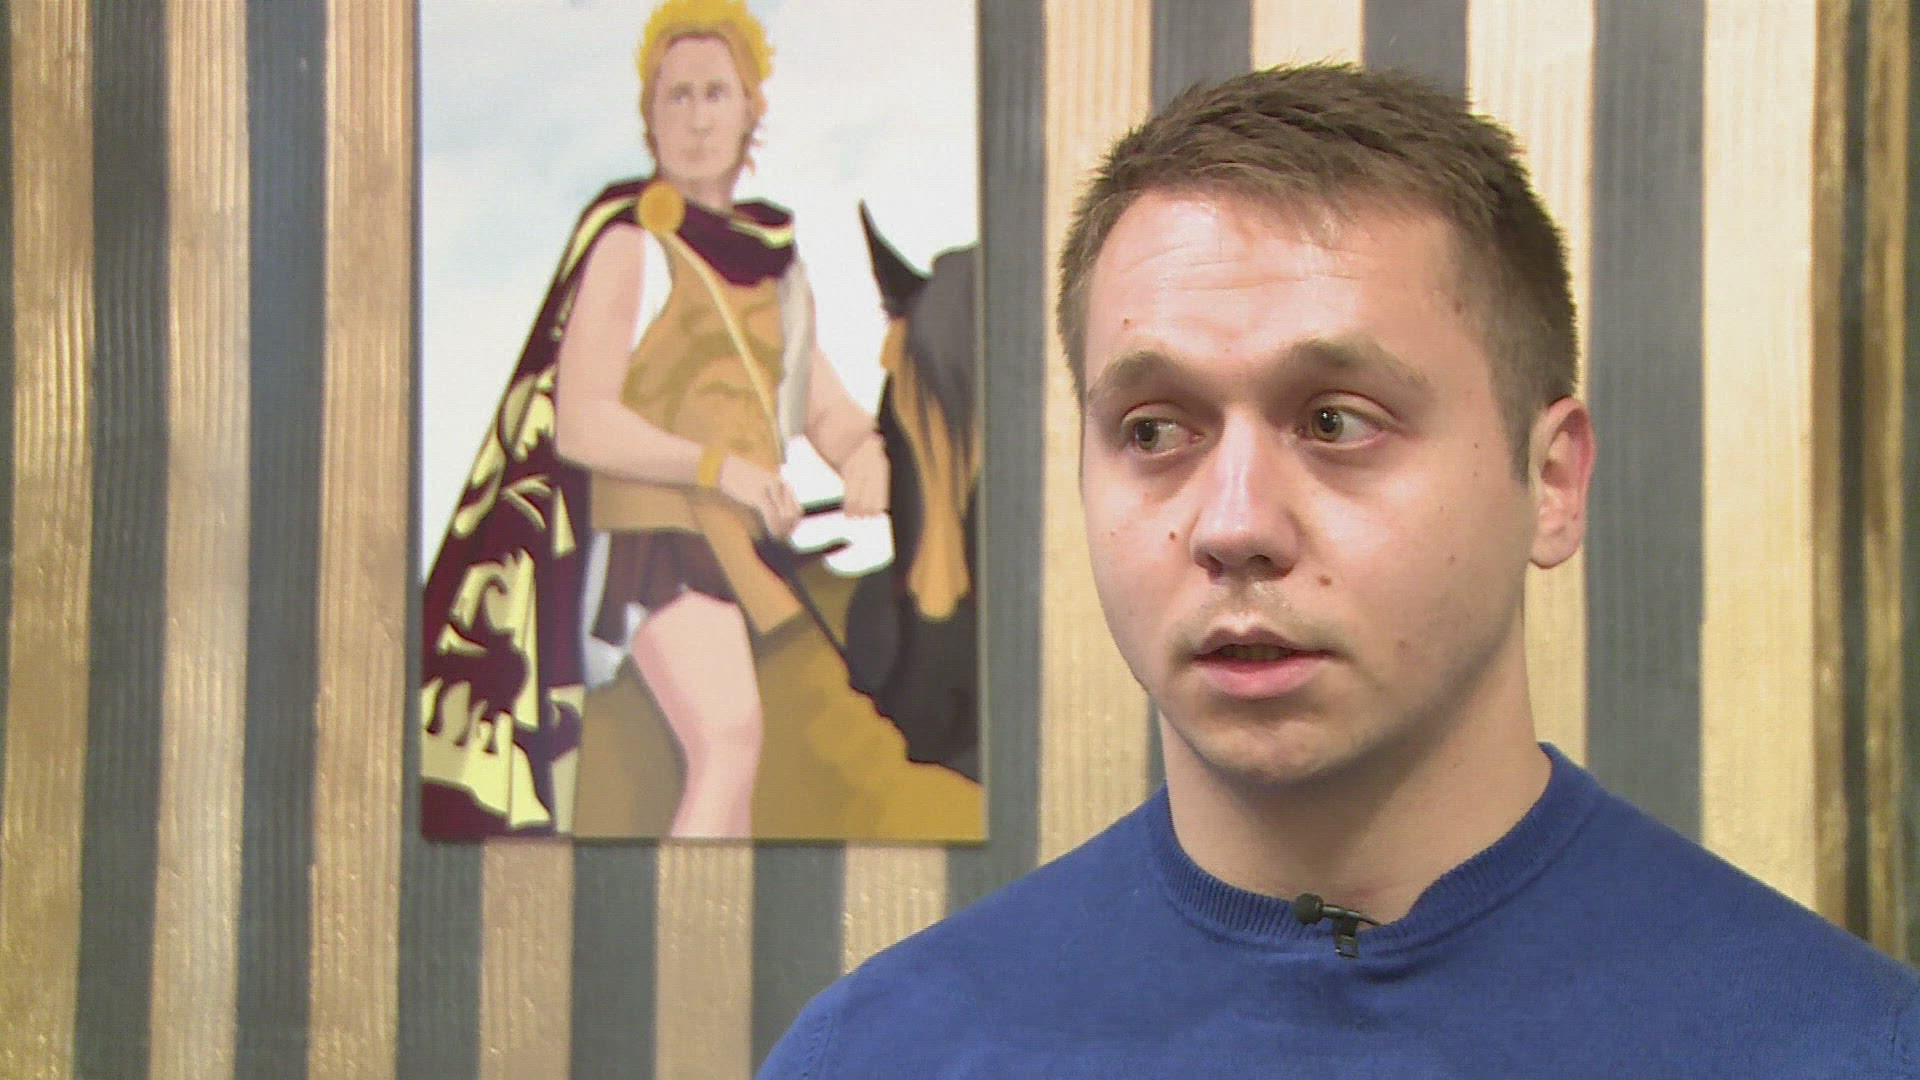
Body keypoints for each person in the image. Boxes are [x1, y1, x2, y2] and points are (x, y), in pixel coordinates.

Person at [758, 63, 1920, 1076]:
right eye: (1155, 430)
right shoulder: (883, 1052)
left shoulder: (1844, 1045)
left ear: (1553, 480)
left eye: (1336, 421)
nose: (1234, 524)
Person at [420, 0, 893, 839]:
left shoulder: (775, 265)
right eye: (677, 96)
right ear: (649, 116)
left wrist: (865, 456)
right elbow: (582, 422)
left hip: (741, 542)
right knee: (728, 740)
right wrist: (722, 470)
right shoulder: (630, 242)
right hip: (649, 539)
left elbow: (827, 412)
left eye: (716, 94)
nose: (697, 118)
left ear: (750, 111)